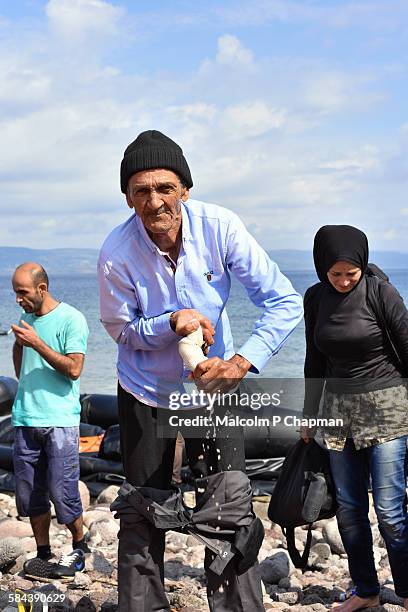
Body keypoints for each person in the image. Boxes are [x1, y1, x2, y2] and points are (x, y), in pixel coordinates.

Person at [98, 129, 303, 612]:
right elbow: (123, 332)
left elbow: (283, 301)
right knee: (143, 508)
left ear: (184, 189)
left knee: (229, 505)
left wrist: (241, 362)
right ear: (127, 197)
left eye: (165, 188)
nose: (155, 201)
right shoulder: (116, 253)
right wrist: (171, 323)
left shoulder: (221, 227)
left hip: (214, 389)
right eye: (142, 191)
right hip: (146, 391)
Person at [302, 225, 408, 611]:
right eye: (336, 274)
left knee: (390, 511)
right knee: (348, 509)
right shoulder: (315, 298)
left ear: (363, 264)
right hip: (337, 412)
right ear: (322, 269)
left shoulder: (380, 291)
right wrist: (308, 415)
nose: (344, 281)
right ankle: (366, 590)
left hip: (388, 408)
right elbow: (314, 361)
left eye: (352, 273)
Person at [11, 262, 90, 582]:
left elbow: (74, 369)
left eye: (23, 292)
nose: (18, 299)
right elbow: (21, 365)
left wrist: (37, 344)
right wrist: (20, 346)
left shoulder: (72, 319)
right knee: (30, 494)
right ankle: (43, 553)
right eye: (15, 292)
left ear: (42, 289)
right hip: (25, 418)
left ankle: (80, 548)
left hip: (59, 420)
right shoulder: (26, 319)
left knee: (63, 491)